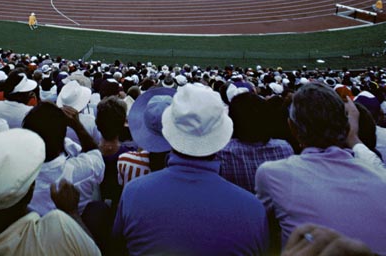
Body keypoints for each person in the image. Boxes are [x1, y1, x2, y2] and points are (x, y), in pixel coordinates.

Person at [113, 84, 269, 256]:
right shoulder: (252, 210)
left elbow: (117, 248)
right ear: (220, 137)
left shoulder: (133, 193)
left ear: (169, 133)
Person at [255, 83, 386, 252]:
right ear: (347, 127)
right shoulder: (379, 174)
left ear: (292, 128)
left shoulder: (272, 174)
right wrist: (352, 137)